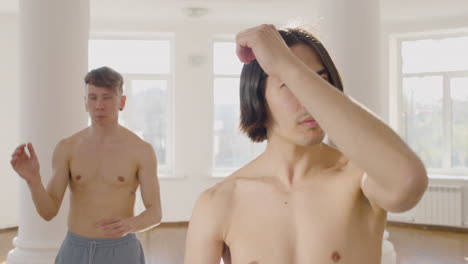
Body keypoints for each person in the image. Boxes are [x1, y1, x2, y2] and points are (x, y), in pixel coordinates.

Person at [184, 25, 428, 264]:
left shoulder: (360, 180)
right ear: (257, 97)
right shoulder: (219, 202)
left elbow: (408, 180)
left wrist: (287, 67)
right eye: (289, 85)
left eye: (317, 83)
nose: (309, 102)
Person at [10, 66, 162, 264]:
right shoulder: (67, 147)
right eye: (93, 97)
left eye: (107, 97)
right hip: (75, 249)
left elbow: (155, 212)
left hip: (121, 249)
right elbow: (48, 211)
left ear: (121, 101)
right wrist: (33, 180)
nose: (99, 105)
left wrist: (130, 225)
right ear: (85, 102)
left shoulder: (141, 150)